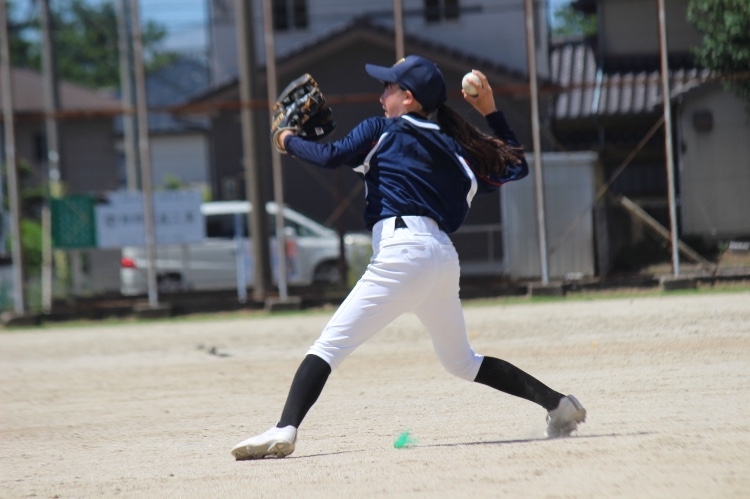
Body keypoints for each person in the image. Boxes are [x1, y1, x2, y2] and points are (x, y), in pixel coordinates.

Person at [231, 55, 586, 460]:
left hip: (401, 254)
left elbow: (330, 156)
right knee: (462, 362)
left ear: (408, 98)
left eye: (388, 88)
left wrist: (286, 139)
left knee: (329, 346)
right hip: (441, 259)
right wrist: (490, 111)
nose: (381, 95)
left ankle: (285, 428)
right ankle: (558, 405)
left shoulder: (382, 130)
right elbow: (516, 166)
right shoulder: (458, 148)